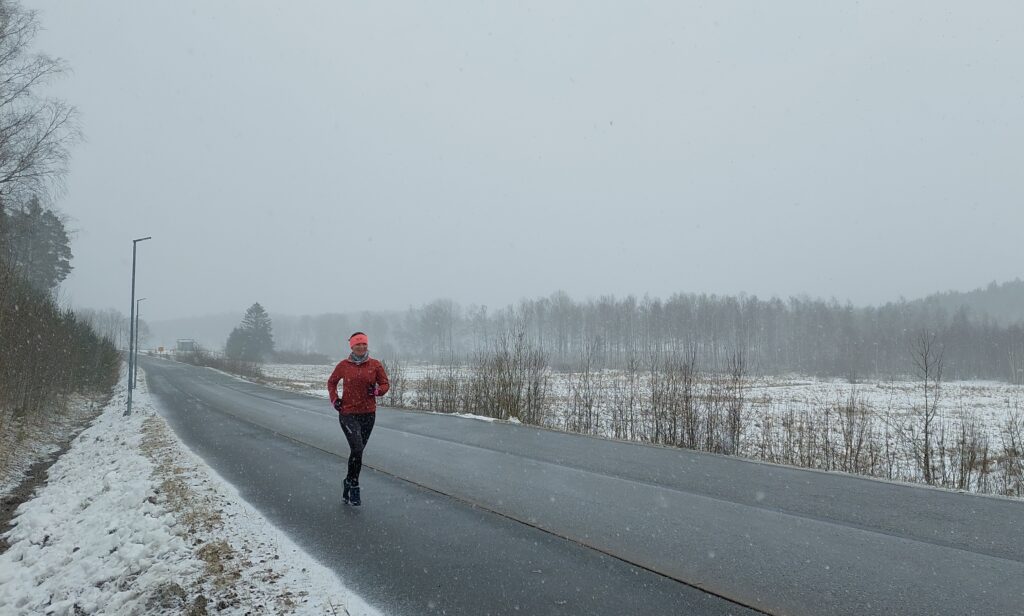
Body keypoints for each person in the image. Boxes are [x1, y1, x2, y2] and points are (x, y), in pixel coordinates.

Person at [326, 332, 389, 506]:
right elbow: (331, 382)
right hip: (347, 413)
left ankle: (348, 481)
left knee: (357, 452)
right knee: (357, 447)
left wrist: (377, 391)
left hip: (368, 414)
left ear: (367, 346)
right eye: (357, 345)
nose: (361, 347)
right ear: (351, 347)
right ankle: (354, 486)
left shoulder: (375, 365)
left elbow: (385, 384)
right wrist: (334, 399)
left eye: (364, 344)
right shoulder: (344, 365)